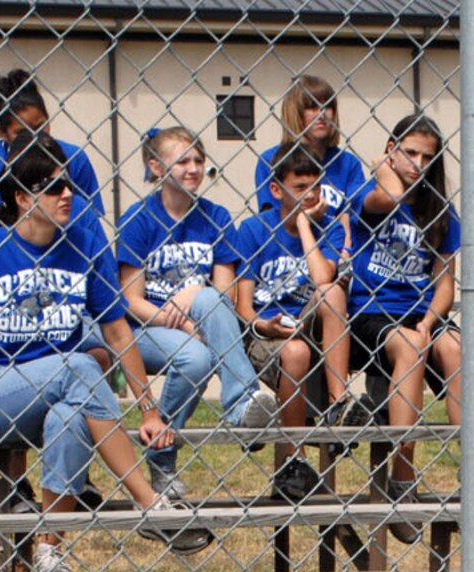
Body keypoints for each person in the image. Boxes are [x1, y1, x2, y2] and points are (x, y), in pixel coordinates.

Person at [0, 140, 213, 572]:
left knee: (69, 415)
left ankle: (48, 552)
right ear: (22, 198)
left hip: (63, 391)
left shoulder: (83, 245)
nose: (66, 195)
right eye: (52, 186)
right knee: (80, 366)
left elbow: (117, 331)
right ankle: (152, 507)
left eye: (70, 186)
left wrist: (150, 411)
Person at [115, 126, 279, 495]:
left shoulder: (216, 216)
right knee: (196, 357)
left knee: (204, 316)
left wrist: (194, 293)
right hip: (148, 328)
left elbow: (223, 291)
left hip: (203, 322)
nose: (193, 168)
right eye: (183, 161)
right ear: (157, 168)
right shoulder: (138, 219)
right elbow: (131, 301)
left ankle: (240, 406)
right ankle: (162, 458)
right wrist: (183, 322)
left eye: (198, 160)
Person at [345, 113, 464, 544]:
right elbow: (391, 198)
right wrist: (383, 167)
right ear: (392, 148)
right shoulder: (368, 194)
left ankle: (473, 471)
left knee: (454, 347)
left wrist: (432, 319)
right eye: (409, 152)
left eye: (426, 157)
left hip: (419, 313)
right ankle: (402, 474)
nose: (417, 163)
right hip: (370, 314)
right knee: (412, 346)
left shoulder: (441, 212)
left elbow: (445, 281)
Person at [232, 146, 354, 498]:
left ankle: (338, 403)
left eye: (316, 186)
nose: (311, 195)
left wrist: (304, 225)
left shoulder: (327, 226)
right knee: (296, 352)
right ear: (276, 190)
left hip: (312, 325)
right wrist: (265, 327)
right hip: (269, 335)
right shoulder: (254, 230)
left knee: (332, 293)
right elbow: (243, 306)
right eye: (300, 187)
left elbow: (321, 279)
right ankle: (295, 461)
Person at [0, 70, 107, 247]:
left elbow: (89, 223)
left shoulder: (73, 158)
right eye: (22, 132)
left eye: (41, 127)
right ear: (3, 132)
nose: (34, 138)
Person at [252, 74, 369, 220]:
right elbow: (270, 221)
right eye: (311, 107)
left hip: (336, 241)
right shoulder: (270, 160)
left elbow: (353, 217)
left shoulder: (347, 163)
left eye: (327, 107)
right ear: (295, 112)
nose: (321, 115)